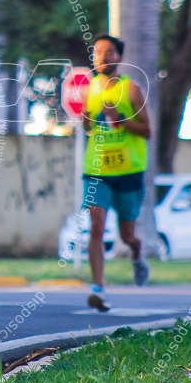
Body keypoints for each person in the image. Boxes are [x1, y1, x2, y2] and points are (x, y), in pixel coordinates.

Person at [80, 34, 151, 312]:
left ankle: (136, 251)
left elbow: (147, 131)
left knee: (126, 235)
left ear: (119, 57)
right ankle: (98, 288)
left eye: (109, 52)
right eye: (97, 52)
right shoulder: (87, 90)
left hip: (129, 171)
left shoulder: (131, 89)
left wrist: (121, 120)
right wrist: (87, 121)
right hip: (97, 169)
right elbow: (88, 127)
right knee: (96, 225)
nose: (102, 57)